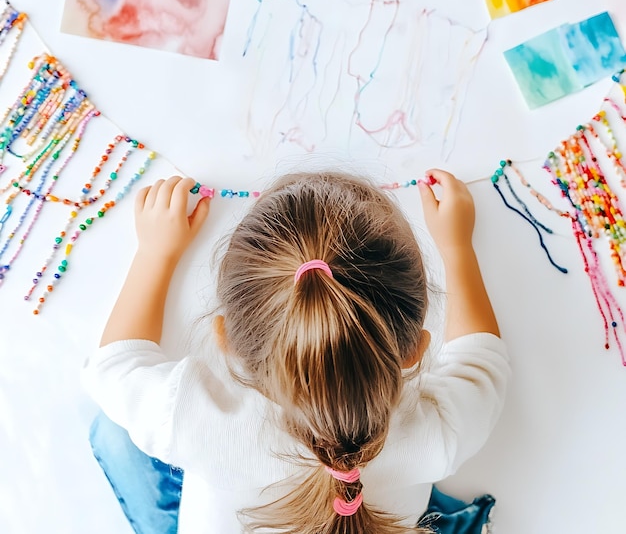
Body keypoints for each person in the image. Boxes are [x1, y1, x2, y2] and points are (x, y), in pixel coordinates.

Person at [82, 169, 510, 534]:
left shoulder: (191, 420)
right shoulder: (441, 434)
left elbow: (115, 363)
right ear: (416, 349)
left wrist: (155, 252)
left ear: (225, 339)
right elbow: (483, 359)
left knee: (113, 431)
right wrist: (457, 248)